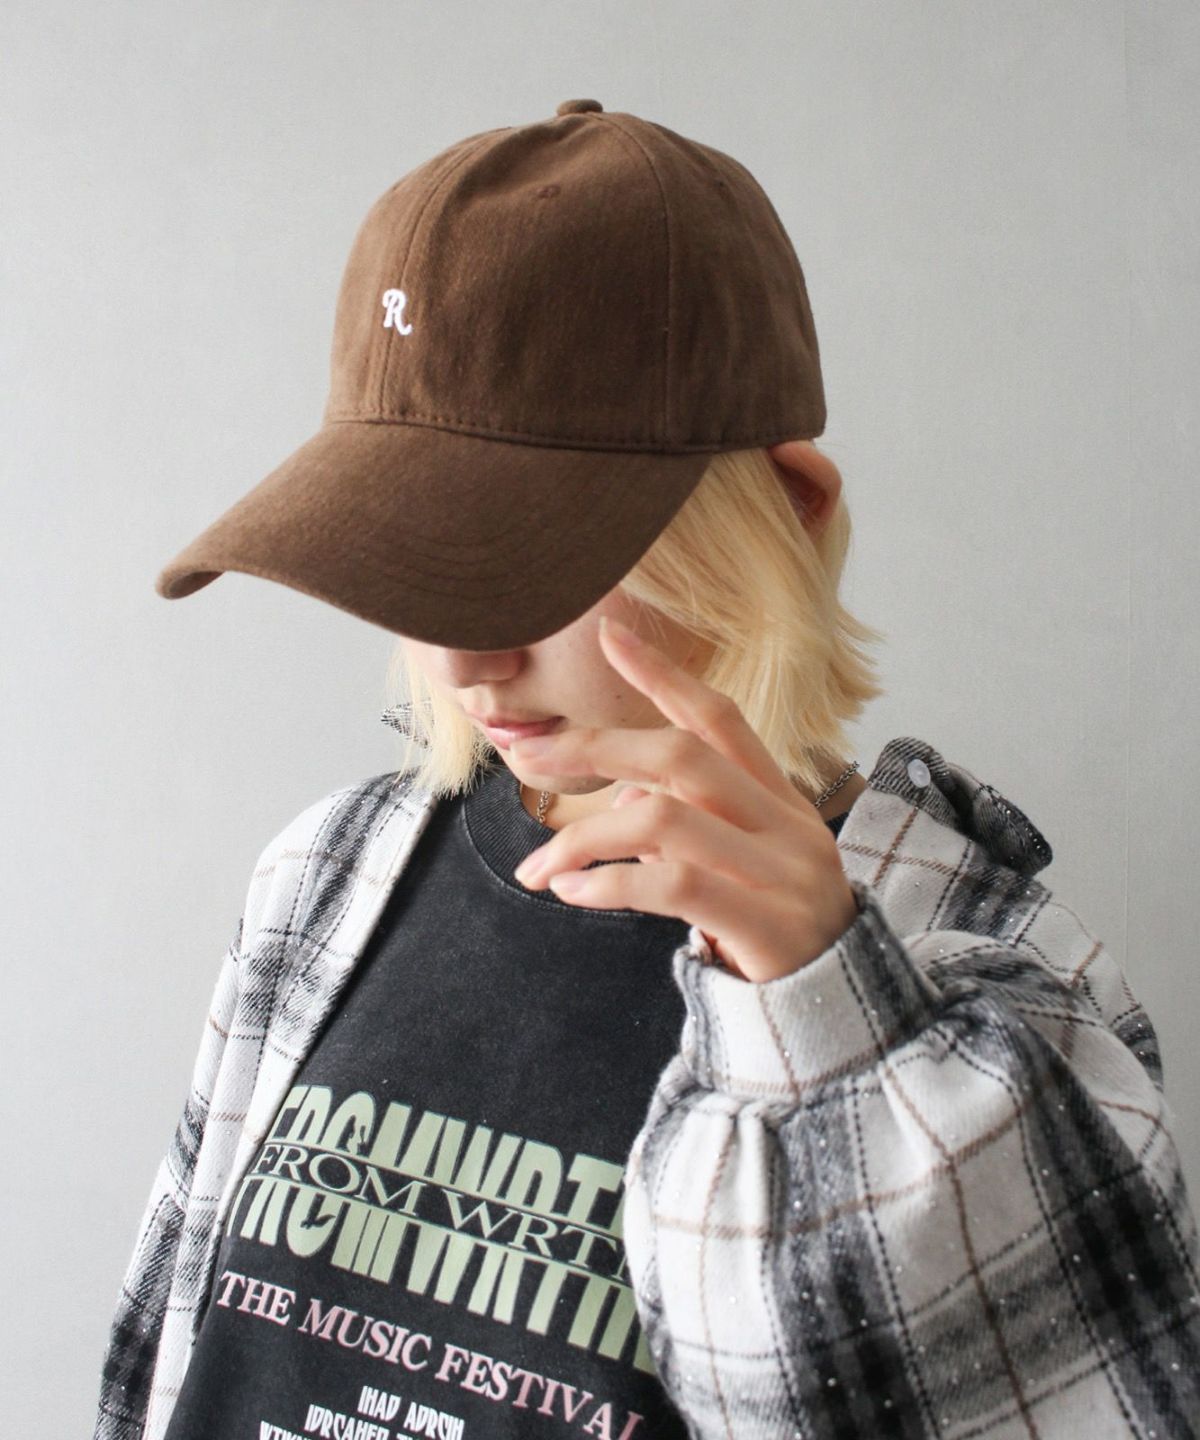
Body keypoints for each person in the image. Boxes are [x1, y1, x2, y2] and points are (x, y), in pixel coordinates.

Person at [92, 100, 1200, 1440]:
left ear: (785, 514)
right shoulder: (327, 876)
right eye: (410, 555)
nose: (466, 658)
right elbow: (163, 1369)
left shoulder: (992, 976)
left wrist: (822, 1015)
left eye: (534, 559)